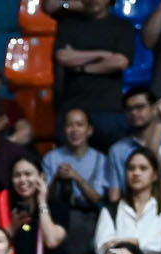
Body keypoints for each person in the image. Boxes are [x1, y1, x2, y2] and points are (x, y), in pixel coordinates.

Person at [54, 0, 137, 147]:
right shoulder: (68, 25)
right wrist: (102, 54)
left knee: (112, 156)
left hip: (109, 110)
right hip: (73, 107)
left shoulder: (122, 27)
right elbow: (63, 57)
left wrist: (82, 68)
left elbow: (120, 62)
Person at [95, 150, 161, 254]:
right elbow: (101, 249)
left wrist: (136, 243)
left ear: (155, 175)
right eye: (131, 168)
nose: (136, 173)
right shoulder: (111, 210)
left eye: (143, 168)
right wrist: (154, 244)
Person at [45, 106, 115, 214]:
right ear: (64, 130)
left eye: (80, 125)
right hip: (57, 214)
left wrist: (77, 178)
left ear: (89, 130)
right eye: (69, 125)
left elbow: (99, 200)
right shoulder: (51, 158)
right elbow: (45, 199)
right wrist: (56, 178)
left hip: (90, 215)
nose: (74, 130)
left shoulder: (100, 160)